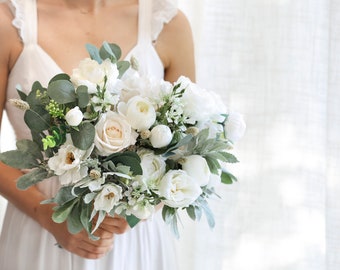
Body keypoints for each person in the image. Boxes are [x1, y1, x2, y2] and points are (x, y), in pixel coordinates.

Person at [0, 0, 195, 269]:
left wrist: (136, 211)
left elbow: (186, 150)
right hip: (40, 228)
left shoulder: (167, 24)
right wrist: (46, 214)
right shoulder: (9, 22)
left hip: (131, 241)